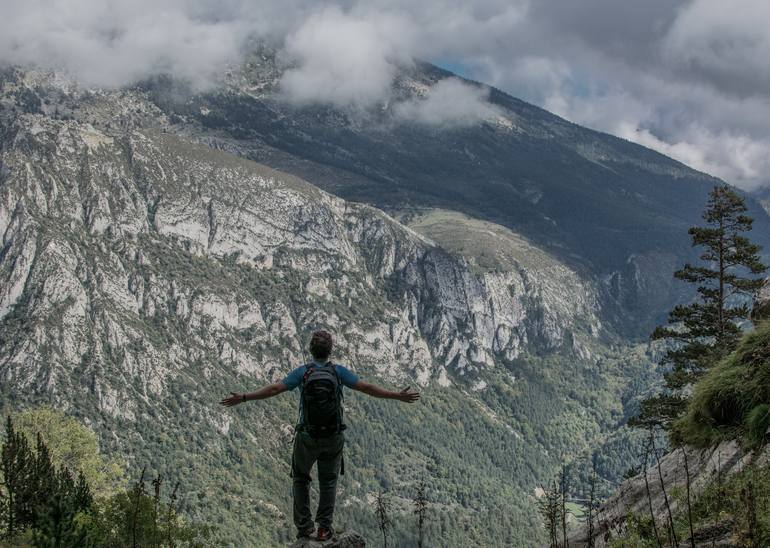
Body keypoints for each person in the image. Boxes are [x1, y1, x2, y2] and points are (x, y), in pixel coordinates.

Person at [220, 330, 420, 541]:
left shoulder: (303, 373)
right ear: (330, 350)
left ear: (311, 350)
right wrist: (397, 395)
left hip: (307, 436)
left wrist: (243, 397)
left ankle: (305, 528)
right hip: (333, 437)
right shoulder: (337, 372)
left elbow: (274, 389)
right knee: (328, 481)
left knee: (300, 479)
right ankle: (324, 528)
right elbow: (367, 388)